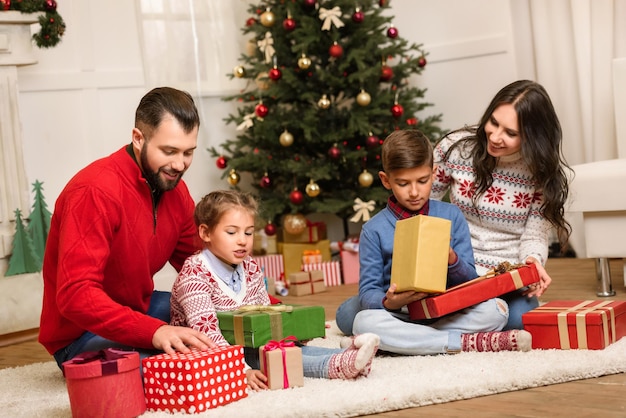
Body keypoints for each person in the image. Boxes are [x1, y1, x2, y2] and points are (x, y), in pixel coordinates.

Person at [39, 87, 217, 370]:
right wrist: (155, 332)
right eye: (169, 151)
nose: (179, 164)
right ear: (138, 138)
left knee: (217, 316)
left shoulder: (174, 189)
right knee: (187, 363)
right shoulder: (94, 191)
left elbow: (206, 267)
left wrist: (268, 308)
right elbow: (76, 296)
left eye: (188, 152)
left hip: (138, 310)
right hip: (79, 337)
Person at [336, 129, 532, 355]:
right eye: (403, 183)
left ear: (434, 173)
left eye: (422, 180)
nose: (414, 192)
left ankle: (402, 342)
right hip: (400, 313)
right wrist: (390, 302)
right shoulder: (373, 230)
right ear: (385, 180)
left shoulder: (451, 215)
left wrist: (451, 259)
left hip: (447, 310)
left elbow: (470, 279)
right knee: (363, 321)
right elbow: (368, 291)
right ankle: (462, 342)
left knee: (497, 310)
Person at [170, 190, 380, 391]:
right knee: (272, 357)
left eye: (249, 232)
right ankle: (335, 365)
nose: (242, 240)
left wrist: (295, 332)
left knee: (282, 348)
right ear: (206, 233)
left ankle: (345, 355)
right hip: (207, 353)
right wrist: (240, 371)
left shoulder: (249, 266)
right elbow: (206, 336)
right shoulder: (194, 275)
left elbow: (264, 313)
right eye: (232, 232)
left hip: (247, 342)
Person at [431, 79, 571, 330]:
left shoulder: (541, 174)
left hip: (504, 277)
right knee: (349, 315)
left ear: (533, 136)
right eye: (493, 122)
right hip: (453, 268)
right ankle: (465, 324)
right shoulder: (455, 148)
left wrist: (532, 262)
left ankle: (436, 325)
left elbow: (535, 235)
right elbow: (424, 204)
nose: (495, 137)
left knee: (519, 320)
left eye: (511, 133)